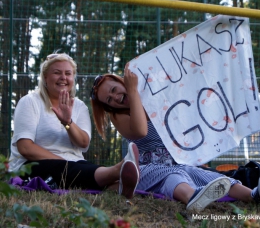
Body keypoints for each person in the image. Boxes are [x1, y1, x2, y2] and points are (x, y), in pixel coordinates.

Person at [90, 63, 260, 211]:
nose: (115, 98)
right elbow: (140, 131)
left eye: (114, 90)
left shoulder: (150, 95)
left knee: (211, 177)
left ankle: (252, 195)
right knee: (173, 176)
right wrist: (132, 91)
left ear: (121, 81)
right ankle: (192, 197)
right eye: (109, 100)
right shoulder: (117, 116)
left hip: (176, 162)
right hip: (146, 168)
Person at [9, 53, 139, 199]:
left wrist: (67, 123)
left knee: (84, 168)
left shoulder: (79, 106)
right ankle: (118, 170)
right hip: (32, 165)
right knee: (75, 169)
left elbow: (83, 143)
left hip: (75, 164)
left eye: (68, 73)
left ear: (73, 78)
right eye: (57, 73)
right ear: (45, 78)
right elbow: (25, 148)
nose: (63, 77)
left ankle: (117, 185)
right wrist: (62, 161)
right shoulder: (30, 101)